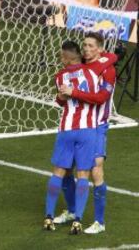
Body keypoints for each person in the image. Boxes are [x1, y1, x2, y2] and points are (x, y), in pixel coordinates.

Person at [43, 40, 115, 234]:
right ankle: (75, 215)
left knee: (94, 168)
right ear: (80, 52)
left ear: (100, 49)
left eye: (92, 46)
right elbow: (63, 99)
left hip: (92, 126)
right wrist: (64, 96)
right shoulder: (93, 71)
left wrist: (71, 93)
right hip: (86, 128)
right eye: (85, 46)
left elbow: (101, 98)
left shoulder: (63, 76)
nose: (87, 49)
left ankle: (98, 221)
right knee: (74, 172)